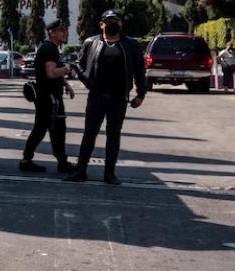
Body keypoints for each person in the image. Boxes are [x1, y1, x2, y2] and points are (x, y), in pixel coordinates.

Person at [65, 10, 147, 185]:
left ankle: (109, 174)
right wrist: (86, 80)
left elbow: (140, 70)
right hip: (96, 97)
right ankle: (80, 171)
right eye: (108, 20)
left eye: (116, 20)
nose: (112, 23)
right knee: (89, 134)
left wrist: (141, 94)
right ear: (101, 24)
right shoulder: (91, 42)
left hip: (118, 99)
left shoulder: (130, 44)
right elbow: (80, 63)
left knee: (113, 135)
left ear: (121, 24)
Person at [19, 19, 75, 174]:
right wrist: (67, 68)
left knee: (41, 129)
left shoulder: (51, 48)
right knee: (57, 130)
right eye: (61, 31)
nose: (65, 33)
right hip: (50, 99)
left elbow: (55, 70)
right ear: (52, 33)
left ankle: (26, 160)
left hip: (48, 97)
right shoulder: (49, 49)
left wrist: (67, 86)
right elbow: (51, 73)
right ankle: (62, 163)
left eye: (65, 30)